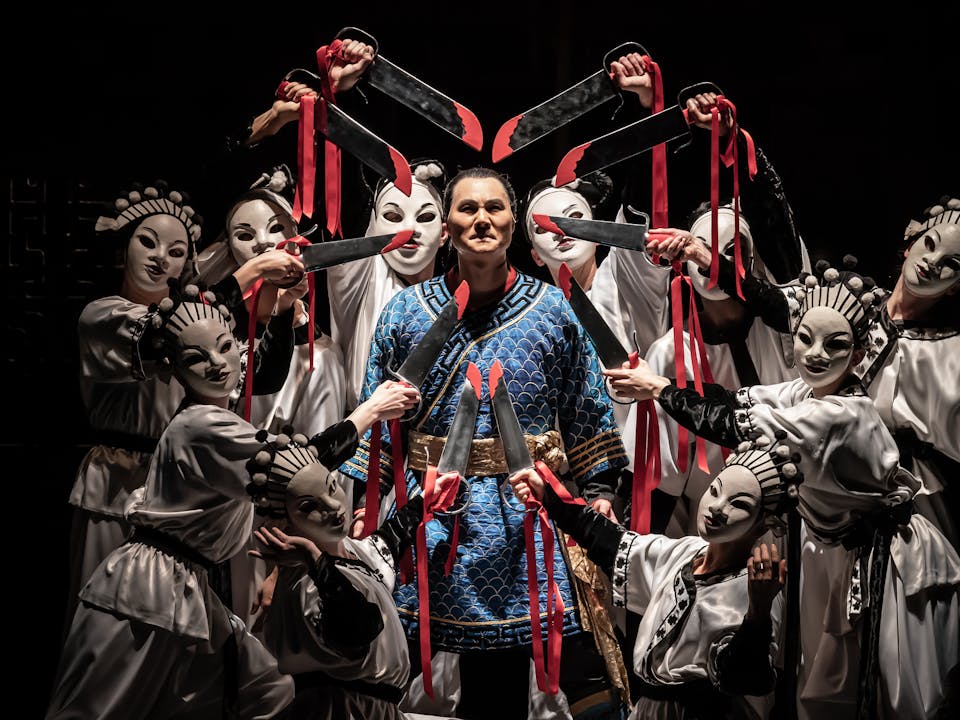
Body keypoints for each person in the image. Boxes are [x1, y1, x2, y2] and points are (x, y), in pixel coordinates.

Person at [603, 259, 960, 719]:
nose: (815, 354)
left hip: (882, 559)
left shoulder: (838, 416)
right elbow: (729, 398)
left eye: (836, 345)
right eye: (806, 338)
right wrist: (660, 383)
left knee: (895, 690)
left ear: (858, 355)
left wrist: (657, 388)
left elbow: (728, 422)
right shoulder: (807, 392)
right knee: (826, 683)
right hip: (832, 551)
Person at [338, 166, 629, 719]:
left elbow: (586, 410)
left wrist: (600, 493)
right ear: (447, 225)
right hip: (429, 512)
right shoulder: (404, 312)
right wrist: (364, 505)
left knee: (502, 688)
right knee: (381, 675)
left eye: (494, 208)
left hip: (525, 514)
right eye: (467, 208)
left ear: (513, 223)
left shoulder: (553, 310)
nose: (481, 219)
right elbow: (379, 421)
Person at [49, 282, 306, 719]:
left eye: (226, 347)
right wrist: (367, 414)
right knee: (100, 703)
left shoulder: (214, 414)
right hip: (139, 553)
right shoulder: (198, 422)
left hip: (189, 577)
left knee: (262, 688)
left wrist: (281, 309)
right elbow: (295, 469)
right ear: (176, 367)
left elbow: (257, 372)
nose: (217, 363)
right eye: (196, 357)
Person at [66, 179, 305, 632]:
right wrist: (254, 272)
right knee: (109, 621)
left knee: (176, 626)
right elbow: (166, 332)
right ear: (124, 248)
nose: (161, 258)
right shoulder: (104, 316)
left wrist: (280, 309)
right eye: (148, 243)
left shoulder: (202, 328)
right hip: (119, 481)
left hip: (181, 488)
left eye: (176, 252)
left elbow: (257, 378)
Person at [509, 431, 798, 719]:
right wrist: (549, 495)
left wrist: (758, 611)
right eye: (714, 491)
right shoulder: (685, 552)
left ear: (765, 524)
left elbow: (745, 678)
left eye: (740, 504)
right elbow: (611, 541)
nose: (717, 508)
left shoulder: (756, 587)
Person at [636, 94, 811, 537]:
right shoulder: (670, 354)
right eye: (705, 252)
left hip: (805, 521)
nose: (716, 264)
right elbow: (662, 481)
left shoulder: (788, 325)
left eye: (732, 251)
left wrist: (733, 141)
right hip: (718, 530)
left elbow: (775, 220)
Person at [245, 427, 457, 720]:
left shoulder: (349, 551)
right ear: (286, 522)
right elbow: (360, 628)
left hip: (374, 709)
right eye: (309, 506)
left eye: (332, 487)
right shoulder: (305, 582)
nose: (334, 506)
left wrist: (425, 501)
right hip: (342, 710)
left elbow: (388, 541)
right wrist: (314, 560)